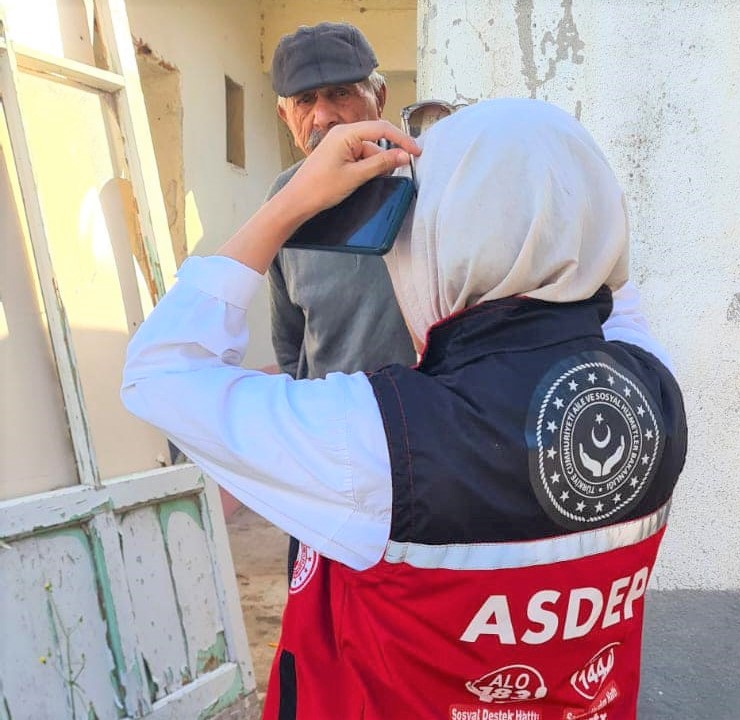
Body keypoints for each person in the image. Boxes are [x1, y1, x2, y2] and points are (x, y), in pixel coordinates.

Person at [123, 99, 687, 719]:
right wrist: (557, 189)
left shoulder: (380, 443)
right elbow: (611, 288)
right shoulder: (655, 397)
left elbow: (162, 371)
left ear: (438, 241)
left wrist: (289, 204)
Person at [266, 22, 417, 582]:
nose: (324, 117)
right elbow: (291, 347)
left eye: (340, 94)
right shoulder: (283, 203)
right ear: (286, 116)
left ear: (379, 97)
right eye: (305, 101)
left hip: (425, 458)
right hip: (329, 468)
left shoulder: (422, 181)